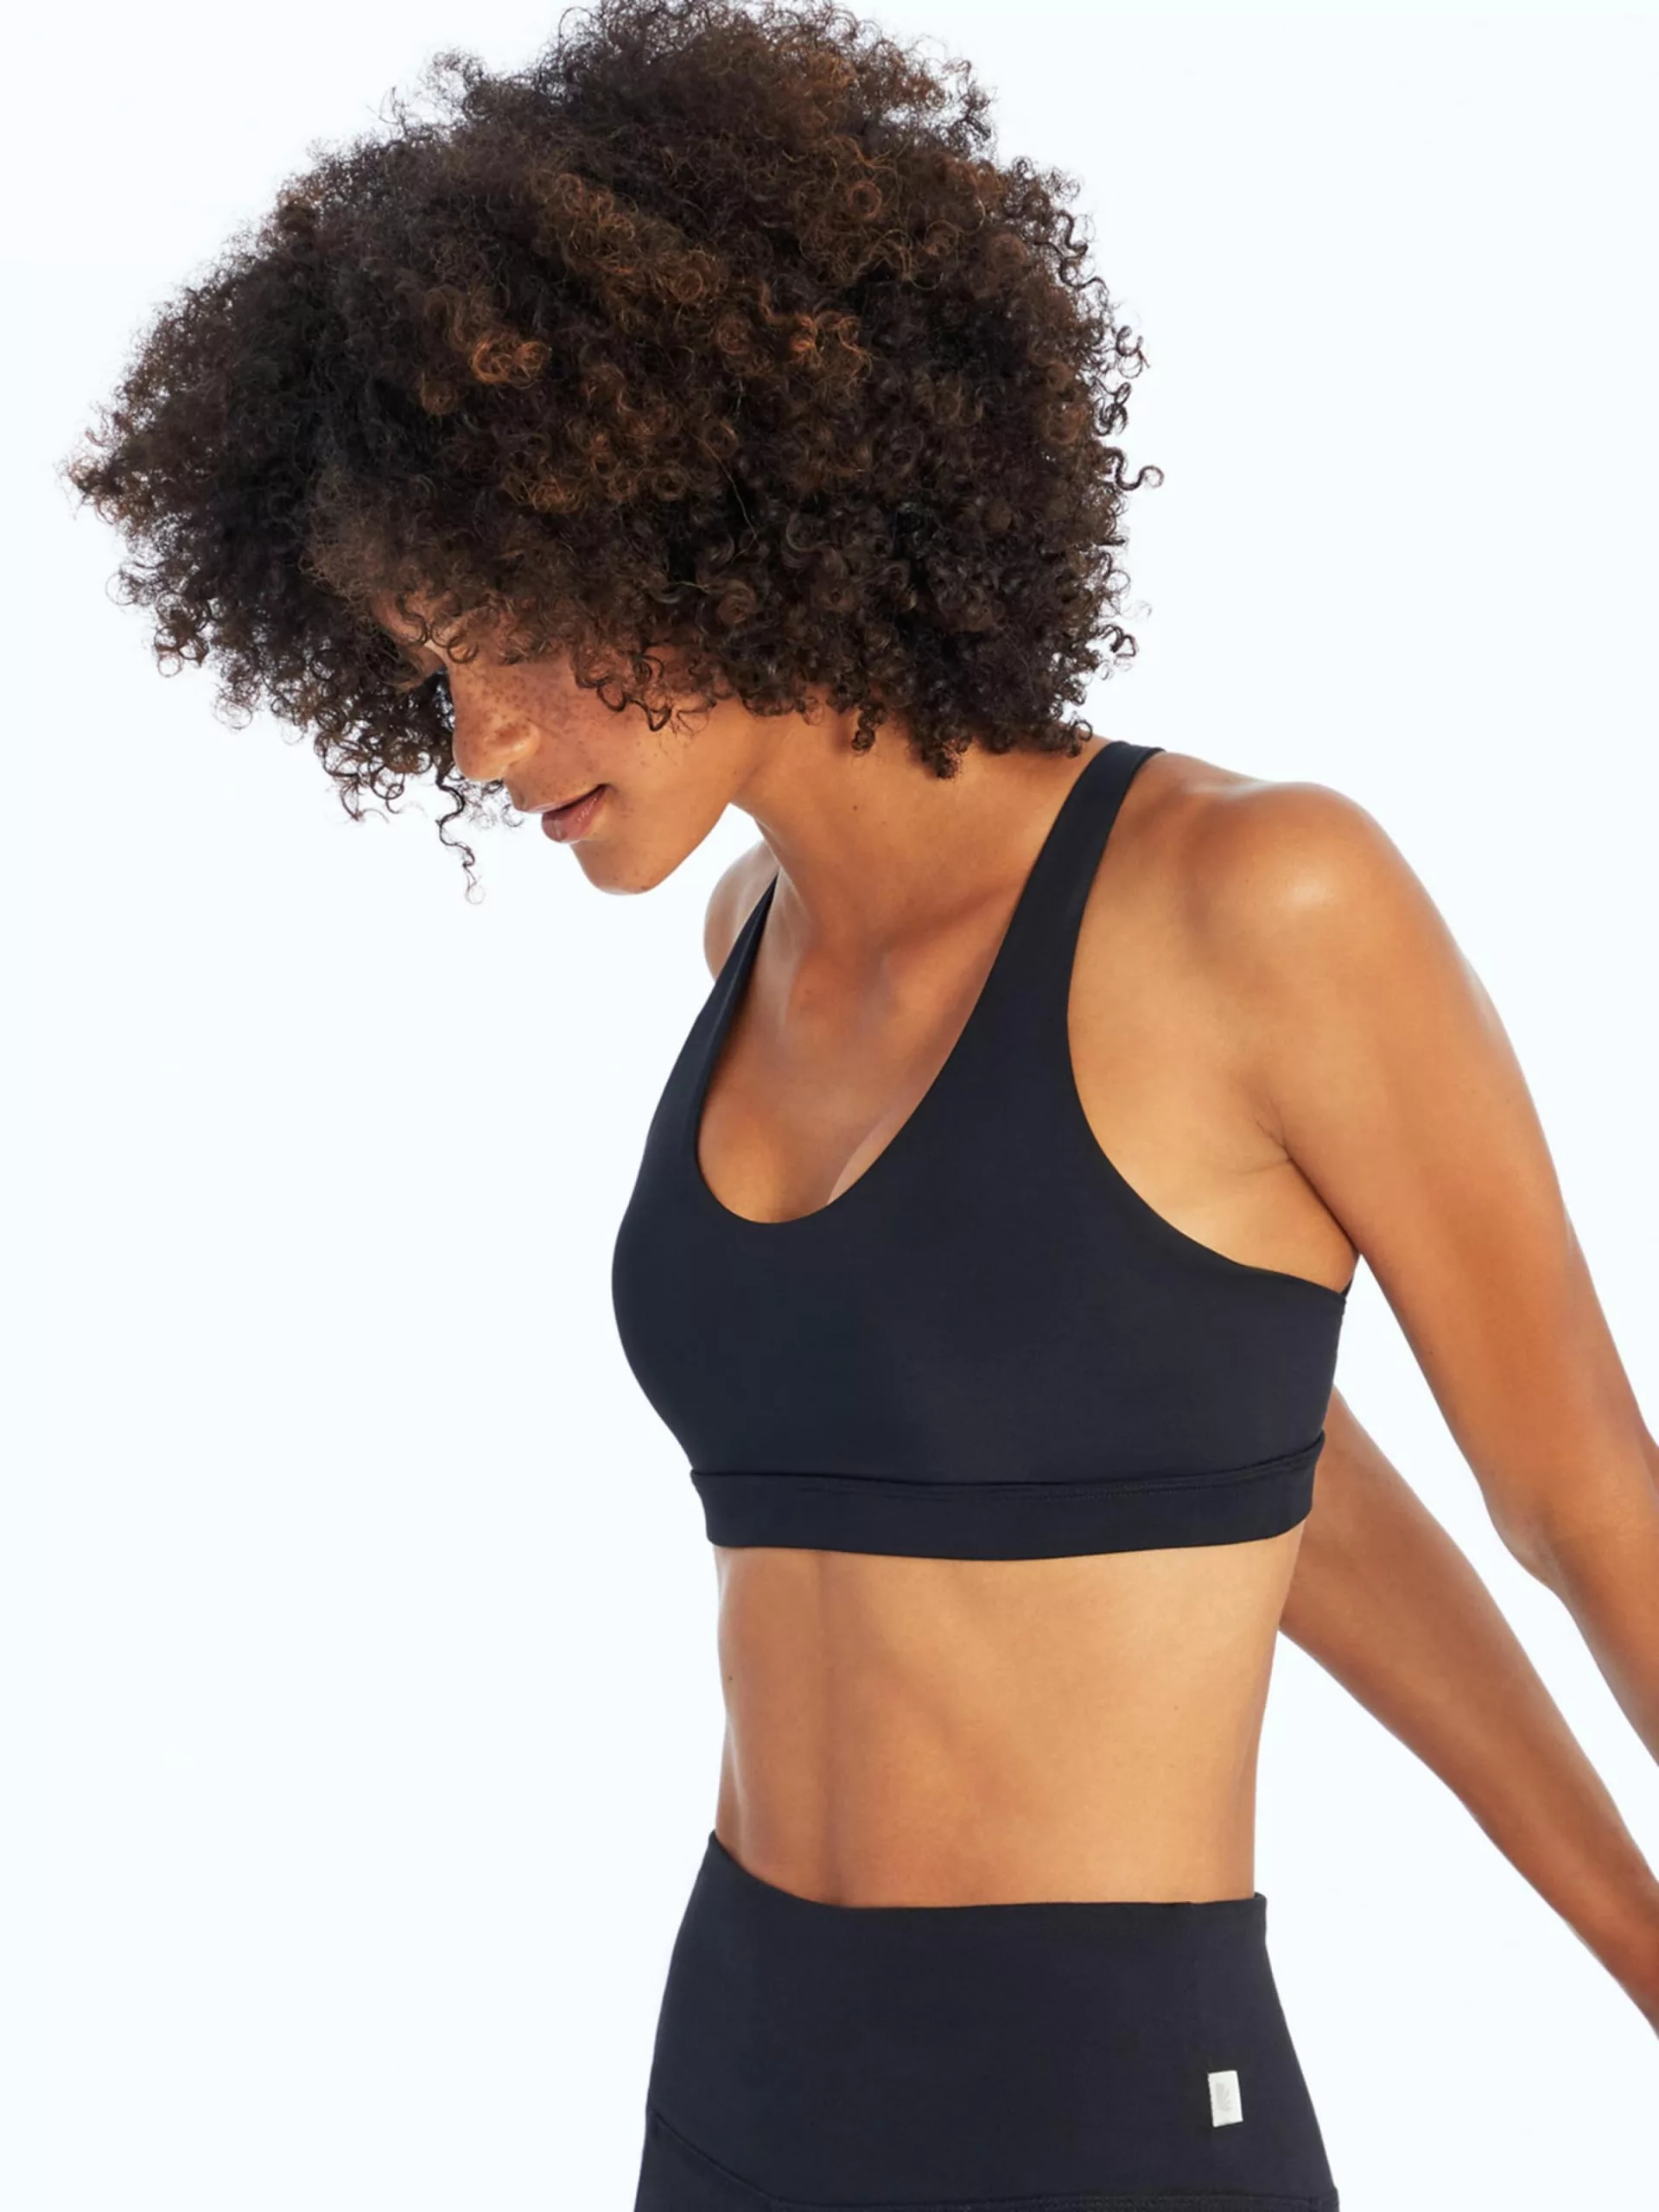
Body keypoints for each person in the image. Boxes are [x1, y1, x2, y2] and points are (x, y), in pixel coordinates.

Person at [62, 2, 1659, 2203]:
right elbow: (1252, 1463)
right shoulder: (749, 945)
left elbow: (1585, 1503)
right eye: (434, 664)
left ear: (712, 503)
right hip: (735, 2081)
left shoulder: (1256, 901)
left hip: (1102, 2116)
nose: (479, 740)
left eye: (513, 630)